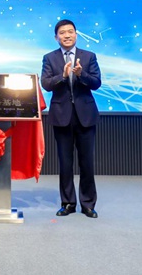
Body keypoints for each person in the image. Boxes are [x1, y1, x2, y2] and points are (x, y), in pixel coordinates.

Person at [41, 19, 102, 218]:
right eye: (62, 33)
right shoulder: (49, 58)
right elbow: (46, 84)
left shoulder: (89, 56)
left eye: (70, 32)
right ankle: (68, 203)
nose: (67, 35)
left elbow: (96, 83)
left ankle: (88, 204)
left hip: (86, 116)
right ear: (56, 37)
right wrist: (63, 75)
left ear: (76, 34)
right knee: (65, 163)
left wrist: (81, 74)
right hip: (61, 116)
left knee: (87, 162)